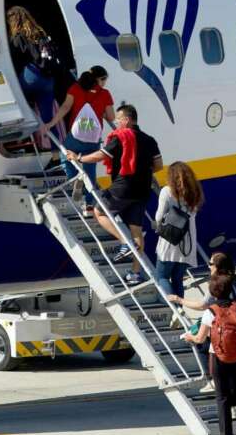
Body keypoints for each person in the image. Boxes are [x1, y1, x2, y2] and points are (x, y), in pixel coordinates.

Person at [67, 104, 161, 284]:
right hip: (142, 190)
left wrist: (78, 158)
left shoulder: (122, 137)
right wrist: (142, 170)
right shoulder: (150, 140)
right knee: (137, 230)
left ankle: (124, 243)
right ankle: (134, 274)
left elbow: (100, 156)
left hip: (123, 187)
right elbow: (158, 165)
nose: (116, 123)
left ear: (126, 120)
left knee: (98, 211)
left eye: (118, 119)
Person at [182, 273, 236, 435]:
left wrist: (189, 337)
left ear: (213, 292)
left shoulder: (210, 312)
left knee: (222, 397)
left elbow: (200, 338)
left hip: (218, 358)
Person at [43, 66, 113, 210]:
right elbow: (111, 116)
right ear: (99, 79)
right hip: (93, 138)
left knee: (65, 156)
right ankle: (89, 203)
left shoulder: (75, 88)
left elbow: (65, 107)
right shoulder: (105, 94)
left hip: (76, 135)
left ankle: (75, 178)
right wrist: (100, 113)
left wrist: (51, 123)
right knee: (90, 169)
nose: (105, 83)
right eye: (104, 79)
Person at [152, 162, 202, 301]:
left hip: (170, 240)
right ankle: (179, 309)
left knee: (161, 277)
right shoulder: (195, 192)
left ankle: (175, 308)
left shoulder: (167, 191)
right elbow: (193, 214)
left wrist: (158, 225)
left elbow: (159, 216)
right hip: (187, 242)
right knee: (177, 279)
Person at [7, 6, 59, 134]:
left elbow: (15, 61)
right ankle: (56, 153)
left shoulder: (18, 37)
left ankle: (21, 137)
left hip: (31, 75)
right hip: (48, 79)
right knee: (48, 120)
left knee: (18, 105)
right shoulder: (41, 33)